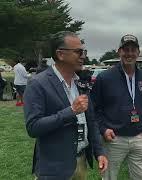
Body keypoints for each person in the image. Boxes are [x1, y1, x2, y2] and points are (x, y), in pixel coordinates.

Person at [23, 31, 108, 179]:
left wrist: (99, 152)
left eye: (84, 51)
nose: (83, 55)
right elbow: (33, 127)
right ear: (60, 54)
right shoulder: (37, 83)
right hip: (53, 167)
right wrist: (71, 111)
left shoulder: (81, 82)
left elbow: (91, 121)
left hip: (81, 162)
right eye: (78, 51)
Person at [91, 34, 142, 180]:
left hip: (139, 138)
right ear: (119, 51)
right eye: (126, 49)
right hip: (114, 139)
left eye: (133, 50)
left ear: (138, 52)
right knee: (108, 177)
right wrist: (103, 129)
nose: (129, 53)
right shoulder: (105, 78)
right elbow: (95, 109)